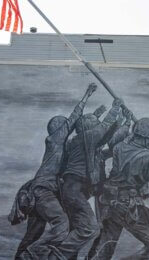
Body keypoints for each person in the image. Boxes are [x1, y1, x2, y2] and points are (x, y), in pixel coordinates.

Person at [8, 83, 97, 259]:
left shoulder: (62, 147)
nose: (69, 129)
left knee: (34, 233)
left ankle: (22, 257)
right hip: (44, 191)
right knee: (62, 224)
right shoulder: (55, 140)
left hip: (42, 192)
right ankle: (31, 255)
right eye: (66, 127)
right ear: (60, 129)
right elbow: (73, 119)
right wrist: (86, 96)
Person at [89, 118, 149, 260]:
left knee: (107, 243)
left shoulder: (120, 147)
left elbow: (132, 146)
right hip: (126, 205)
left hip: (110, 201)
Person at [52, 98, 125, 260]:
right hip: (74, 189)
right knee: (90, 228)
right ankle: (57, 256)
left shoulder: (81, 143)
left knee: (76, 229)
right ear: (87, 127)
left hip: (74, 190)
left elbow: (105, 139)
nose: (97, 124)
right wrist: (115, 108)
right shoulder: (87, 137)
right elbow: (103, 129)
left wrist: (123, 122)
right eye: (94, 122)